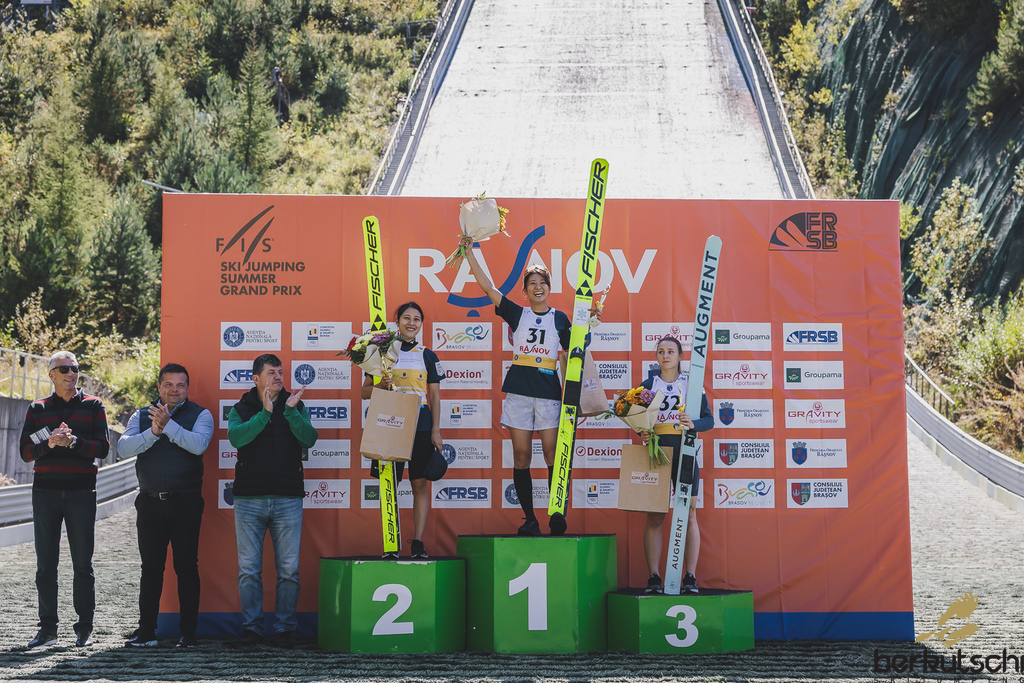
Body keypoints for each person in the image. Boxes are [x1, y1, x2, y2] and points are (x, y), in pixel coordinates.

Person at [461, 235, 591, 536]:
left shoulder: (560, 318)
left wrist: (589, 324)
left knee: (552, 455)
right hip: (519, 393)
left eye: (542, 282)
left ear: (549, 287)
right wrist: (469, 254)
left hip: (548, 395)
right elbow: (489, 289)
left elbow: (578, 347)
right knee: (521, 457)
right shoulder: (518, 313)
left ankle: (556, 513)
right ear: (525, 290)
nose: (537, 287)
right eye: (532, 283)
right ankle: (530, 519)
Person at [117, 363, 213, 648]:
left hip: (186, 504)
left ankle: (188, 634)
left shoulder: (201, 414)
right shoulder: (140, 415)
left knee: (186, 567)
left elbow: (198, 445)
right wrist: (153, 432)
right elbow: (123, 448)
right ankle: (146, 631)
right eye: (168, 384)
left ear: (187, 388)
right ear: (159, 386)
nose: (174, 390)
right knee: (151, 568)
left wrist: (168, 425)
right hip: (149, 504)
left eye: (180, 385)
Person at [19, 351, 109, 648]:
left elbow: (103, 448)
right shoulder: (37, 408)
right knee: (45, 564)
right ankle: (47, 630)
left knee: (82, 563)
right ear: (51, 374)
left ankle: (85, 628)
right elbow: (25, 452)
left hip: (81, 492)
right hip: (45, 492)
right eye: (65, 369)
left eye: (75, 368)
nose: (72, 373)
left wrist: (73, 442)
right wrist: (50, 443)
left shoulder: (94, 405)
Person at [227, 353, 317, 645]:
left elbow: (309, 439)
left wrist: (289, 413)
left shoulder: (296, 405)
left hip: (287, 499)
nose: (278, 377)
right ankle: (252, 627)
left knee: (289, 570)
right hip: (248, 500)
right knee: (248, 570)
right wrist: (265, 413)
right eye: (271, 373)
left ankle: (284, 628)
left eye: (280, 372)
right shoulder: (241, 408)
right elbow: (236, 438)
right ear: (256, 379)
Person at [361, 302, 445, 559]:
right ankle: (391, 542)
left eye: (416, 319)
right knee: (390, 484)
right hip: (390, 423)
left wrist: (436, 430)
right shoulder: (381, 351)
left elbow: (434, 396)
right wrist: (381, 385)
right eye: (406, 318)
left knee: (419, 484)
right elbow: (364, 393)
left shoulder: (428, 355)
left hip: (420, 424)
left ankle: (417, 542)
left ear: (421, 324)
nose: (411, 323)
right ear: (396, 322)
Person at [637, 336, 714, 594]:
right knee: (655, 516)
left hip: (686, 454)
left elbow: (709, 420)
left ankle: (690, 577)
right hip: (657, 454)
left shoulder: (692, 384)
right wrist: (642, 432)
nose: (665, 355)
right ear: (656, 357)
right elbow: (638, 420)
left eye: (671, 351)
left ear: (681, 356)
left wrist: (693, 424)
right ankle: (654, 577)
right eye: (661, 351)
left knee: (689, 513)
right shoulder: (648, 385)